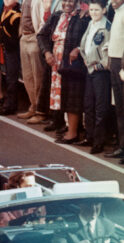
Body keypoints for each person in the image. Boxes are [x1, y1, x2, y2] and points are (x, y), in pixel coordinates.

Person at [37, 0, 90, 144]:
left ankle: (73, 132)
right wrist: (47, 52)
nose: (68, 4)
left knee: (73, 96)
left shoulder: (83, 17)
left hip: (73, 64)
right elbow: (41, 35)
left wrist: (78, 49)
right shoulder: (57, 16)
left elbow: (89, 37)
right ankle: (67, 127)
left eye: (71, 1)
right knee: (61, 96)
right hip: (55, 63)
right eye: (65, 0)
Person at [78, 0, 111, 154]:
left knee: (100, 107)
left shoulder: (107, 26)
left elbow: (109, 50)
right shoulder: (91, 23)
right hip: (89, 69)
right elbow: (86, 44)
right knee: (88, 105)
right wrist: (84, 56)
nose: (93, 13)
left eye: (97, 10)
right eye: (91, 9)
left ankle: (99, 141)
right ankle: (89, 136)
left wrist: (100, 65)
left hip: (100, 71)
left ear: (104, 10)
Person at [51, 202, 119, 243]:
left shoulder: (107, 224)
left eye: (97, 204)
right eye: (89, 204)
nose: (94, 209)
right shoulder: (64, 226)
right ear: (80, 205)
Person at [105, 0, 124, 160]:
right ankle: (121, 146)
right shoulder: (118, 11)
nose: (112, 1)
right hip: (115, 60)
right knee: (119, 108)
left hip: (122, 63)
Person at [0, 0, 22, 116]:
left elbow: (16, 36)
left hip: (13, 50)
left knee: (12, 78)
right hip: (7, 48)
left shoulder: (16, 15)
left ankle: (11, 105)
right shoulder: (6, 11)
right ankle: (9, 103)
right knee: (8, 77)